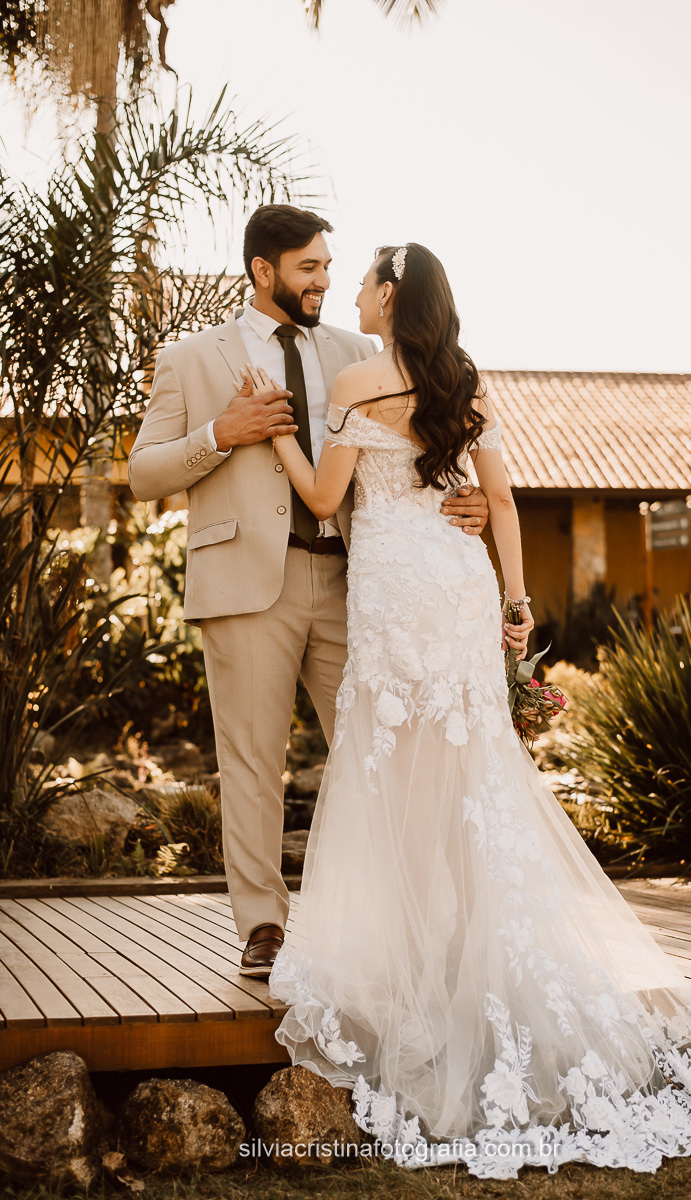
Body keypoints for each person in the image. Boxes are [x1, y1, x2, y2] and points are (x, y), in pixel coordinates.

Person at [259, 242, 691, 1178]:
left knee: (393, 779)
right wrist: (518, 604)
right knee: (471, 777)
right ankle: (458, 955)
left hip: (393, 593)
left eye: (365, 280)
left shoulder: (360, 380)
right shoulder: (460, 381)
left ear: (392, 295)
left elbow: (327, 501)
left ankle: (419, 966)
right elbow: (502, 500)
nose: (356, 294)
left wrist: (279, 431)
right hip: (454, 591)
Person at [128, 207, 489, 977]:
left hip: (361, 582)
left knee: (381, 752)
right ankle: (264, 928)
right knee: (253, 763)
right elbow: (142, 472)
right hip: (246, 584)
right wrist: (221, 433)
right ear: (265, 271)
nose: (325, 281)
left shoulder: (363, 349)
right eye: (309, 268)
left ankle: (407, 918)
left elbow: (437, 444)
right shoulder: (193, 358)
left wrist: (472, 502)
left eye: (330, 267)